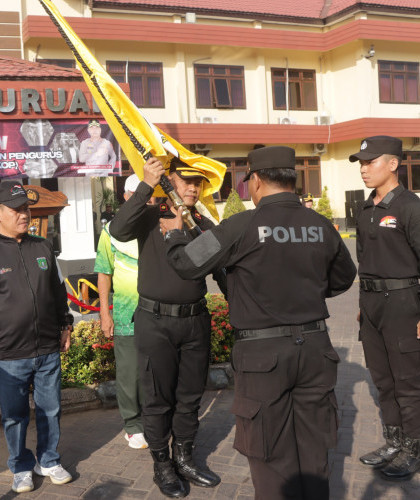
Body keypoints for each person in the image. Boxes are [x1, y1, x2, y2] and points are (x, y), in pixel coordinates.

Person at [162, 146, 357, 500]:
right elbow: (344, 278)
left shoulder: (241, 225)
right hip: (316, 349)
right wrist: (302, 290)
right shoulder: (319, 225)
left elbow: (187, 263)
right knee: (314, 450)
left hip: (263, 356)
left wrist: (175, 232)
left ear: (256, 180)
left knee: (269, 453)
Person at [110, 157, 227, 498]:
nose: (193, 187)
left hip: (194, 320)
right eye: (186, 181)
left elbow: (213, 266)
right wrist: (146, 184)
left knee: (190, 398)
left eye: (199, 183)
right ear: (170, 182)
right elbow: (117, 230)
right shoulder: (149, 217)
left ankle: (185, 457)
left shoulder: (202, 224)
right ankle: (162, 465)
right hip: (155, 321)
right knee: (158, 400)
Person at [0, 180, 74, 494]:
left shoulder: (42, 247)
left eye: (26, 208)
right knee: (14, 416)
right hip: (9, 354)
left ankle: (49, 459)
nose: (24, 214)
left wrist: (66, 325)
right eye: (16, 209)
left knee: (50, 408)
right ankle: (21, 466)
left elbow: (58, 292)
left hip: (46, 350)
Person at [350, 136, 420, 480]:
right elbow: (364, 259)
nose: (363, 169)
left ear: (393, 164)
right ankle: (393, 440)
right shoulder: (365, 208)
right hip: (372, 304)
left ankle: (413, 447)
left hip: (404, 303)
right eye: (361, 163)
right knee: (384, 378)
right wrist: (364, 303)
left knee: (408, 380)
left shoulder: (410, 206)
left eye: (370, 162)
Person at [94, 174, 155, 451]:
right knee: (130, 373)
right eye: (142, 195)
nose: (148, 201)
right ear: (128, 197)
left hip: (158, 313)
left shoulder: (158, 225)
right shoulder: (111, 232)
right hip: (126, 314)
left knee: (156, 370)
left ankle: (154, 420)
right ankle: (132, 425)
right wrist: (105, 314)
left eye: (152, 195)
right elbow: (104, 273)